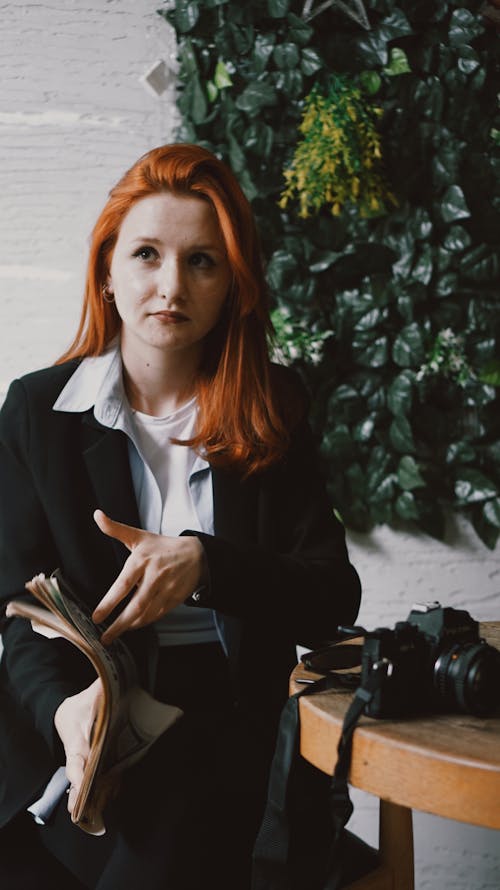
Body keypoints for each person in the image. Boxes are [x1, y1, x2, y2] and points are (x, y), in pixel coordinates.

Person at [0, 143, 361, 889]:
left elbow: (333, 595)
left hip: (230, 719)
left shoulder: (276, 405)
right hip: (83, 716)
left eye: (202, 261)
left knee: (170, 840)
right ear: (107, 271)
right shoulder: (38, 410)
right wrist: (63, 710)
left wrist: (206, 562)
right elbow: (15, 607)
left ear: (233, 283)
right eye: (146, 255)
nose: (171, 285)